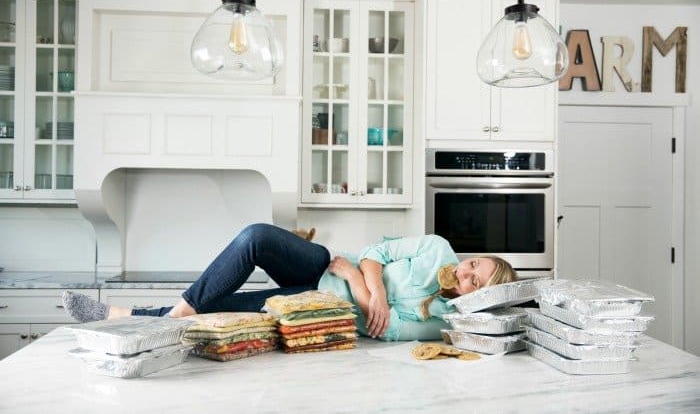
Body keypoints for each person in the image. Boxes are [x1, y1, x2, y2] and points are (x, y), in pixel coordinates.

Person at [63, 223, 517, 341]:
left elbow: (383, 328)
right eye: (474, 264)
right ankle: (170, 315)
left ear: (478, 299)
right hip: (324, 262)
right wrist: (368, 282)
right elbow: (377, 255)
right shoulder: (437, 247)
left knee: (229, 308)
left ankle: (122, 316)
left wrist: (356, 282)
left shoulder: (441, 323)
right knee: (255, 237)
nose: (465, 273)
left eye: (476, 283)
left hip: (324, 301)